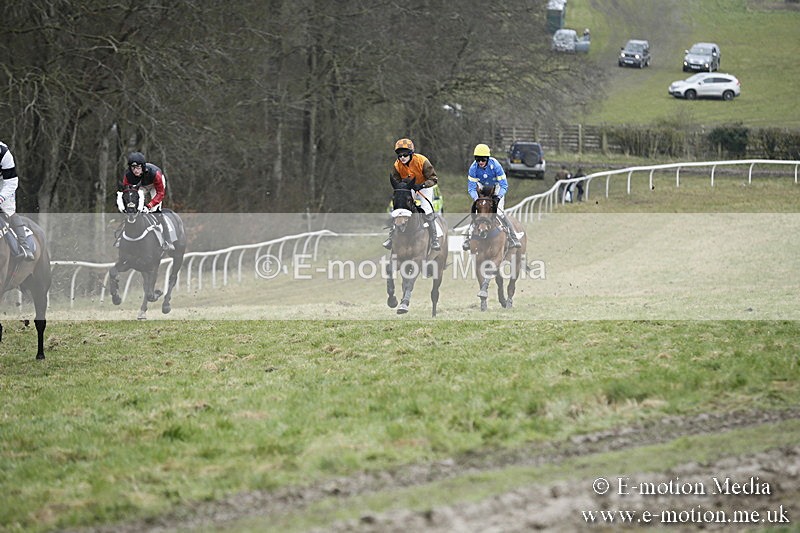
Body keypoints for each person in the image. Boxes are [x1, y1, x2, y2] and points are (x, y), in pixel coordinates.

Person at [383, 138, 441, 251]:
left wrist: (423, 185)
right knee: (399, 209)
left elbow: (433, 179)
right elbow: (397, 181)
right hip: (409, 188)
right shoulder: (397, 165)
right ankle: (391, 238)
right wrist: (403, 188)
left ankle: (434, 239)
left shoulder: (422, 161)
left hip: (424, 187)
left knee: (427, 209)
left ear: (411, 153)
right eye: (399, 156)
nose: (402, 158)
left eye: (405, 154)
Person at [463, 143, 521, 250]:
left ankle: (513, 237)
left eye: (483, 159)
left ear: (488, 158)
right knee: (478, 212)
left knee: (499, 212)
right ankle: (468, 238)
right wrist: (477, 200)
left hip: (497, 187)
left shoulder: (496, 166)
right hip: (482, 187)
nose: (480, 162)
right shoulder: (473, 168)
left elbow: (504, 185)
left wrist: (498, 197)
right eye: (478, 159)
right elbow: (471, 188)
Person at [117, 151, 175, 251]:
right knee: (133, 209)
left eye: (138, 168)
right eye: (133, 168)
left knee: (155, 210)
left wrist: (149, 205)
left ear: (143, 167)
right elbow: (126, 192)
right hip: (141, 187)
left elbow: (160, 193)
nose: (135, 170)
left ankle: (168, 240)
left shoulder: (155, 173)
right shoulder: (128, 176)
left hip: (155, 186)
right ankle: (121, 237)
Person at [0, 140, 35, 260]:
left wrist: (1, 197)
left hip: (4, 183)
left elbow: (11, 181)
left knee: (7, 210)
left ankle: (24, 246)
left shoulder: (3, 153)